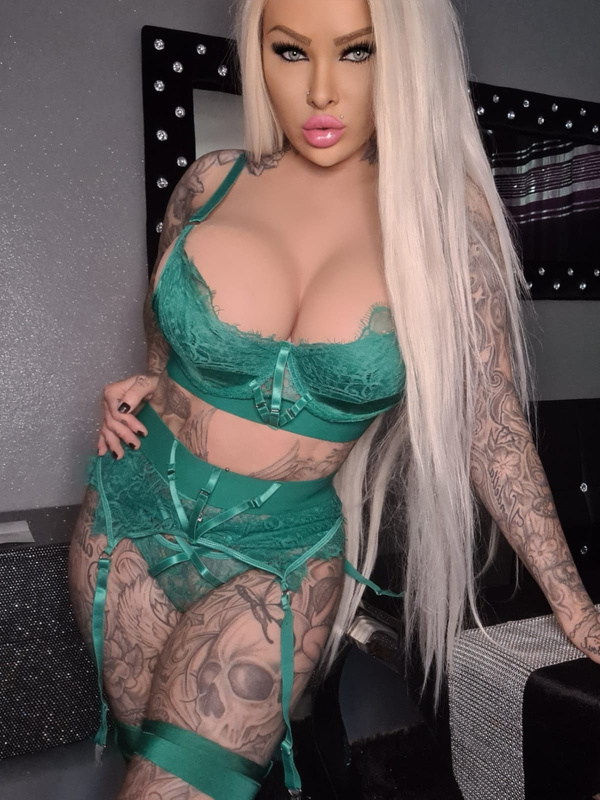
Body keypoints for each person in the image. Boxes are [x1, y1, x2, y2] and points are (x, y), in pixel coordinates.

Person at [67, 0, 600, 798]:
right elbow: (161, 327)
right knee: (141, 764)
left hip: (277, 563)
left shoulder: (445, 224)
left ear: (405, 59)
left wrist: (573, 603)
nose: (320, 90)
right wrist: (150, 377)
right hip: (126, 522)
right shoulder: (211, 182)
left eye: (356, 52)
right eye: (290, 51)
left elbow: (490, 427)